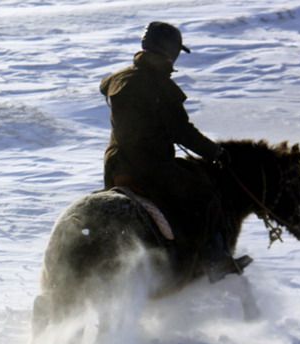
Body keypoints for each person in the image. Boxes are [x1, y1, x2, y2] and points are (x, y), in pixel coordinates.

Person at [100, 21, 251, 282]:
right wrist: (215, 152)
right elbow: (182, 131)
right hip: (150, 166)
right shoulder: (160, 87)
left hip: (115, 165)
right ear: (171, 51)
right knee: (206, 195)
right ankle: (215, 260)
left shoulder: (119, 79)